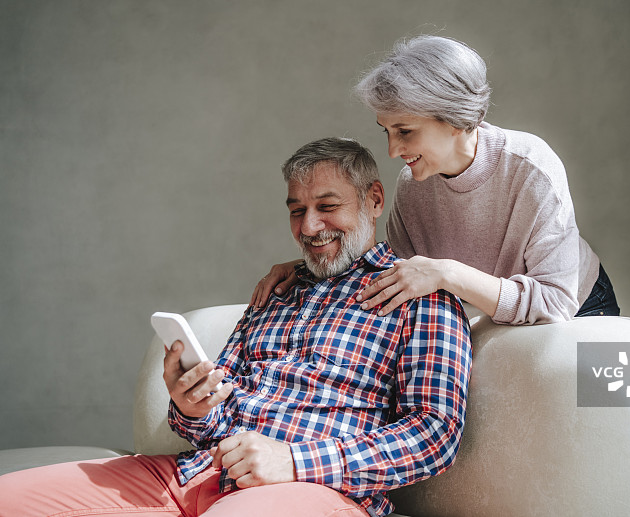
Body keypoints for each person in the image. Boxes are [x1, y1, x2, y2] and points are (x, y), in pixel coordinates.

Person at [0, 138, 472, 517]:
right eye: (295, 210)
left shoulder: (422, 295)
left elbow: (434, 435)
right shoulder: (277, 291)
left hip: (316, 491)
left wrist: (292, 461)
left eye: (327, 206)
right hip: (195, 476)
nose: (310, 226)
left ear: (373, 200)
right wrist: (193, 405)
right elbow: (212, 420)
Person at [251, 35, 620, 326]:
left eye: (405, 131)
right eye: (387, 132)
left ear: (456, 119)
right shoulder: (413, 184)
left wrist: (448, 273)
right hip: (496, 318)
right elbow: (395, 271)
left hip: (579, 308)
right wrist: (302, 270)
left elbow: (554, 301)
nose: (393, 150)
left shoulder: (530, 167)